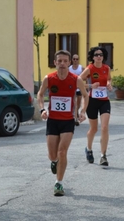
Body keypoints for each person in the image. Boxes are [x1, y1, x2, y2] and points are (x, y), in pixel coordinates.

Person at [37, 50, 89, 196]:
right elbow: (40, 94)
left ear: (69, 63)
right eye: (59, 61)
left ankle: (59, 183)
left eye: (65, 61)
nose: (62, 64)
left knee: (62, 151)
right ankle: (54, 161)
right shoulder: (49, 78)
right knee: (53, 155)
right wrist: (42, 110)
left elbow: (85, 95)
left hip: (67, 121)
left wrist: (83, 111)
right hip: (52, 121)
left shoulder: (76, 79)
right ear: (55, 62)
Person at [79, 46, 113, 166]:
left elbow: (109, 79)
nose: (99, 56)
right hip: (92, 101)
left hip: (104, 100)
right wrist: (90, 86)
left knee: (104, 127)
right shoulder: (89, 69)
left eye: (101, 55)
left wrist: (109, 84)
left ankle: (103, 156)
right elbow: (78, 82)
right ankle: (88, 149)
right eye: (97, 54)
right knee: (94, 129)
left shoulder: (106, 68)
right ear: (92, 57)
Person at [68, 54, 84, 126]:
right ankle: (75, 119)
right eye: (74, 59)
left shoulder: (81, 68)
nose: (75, 60)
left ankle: (76, 112)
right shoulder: (69, 68)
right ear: (72, 60)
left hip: (79, 88)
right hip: (72, 88)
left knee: (78, 104)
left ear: (78, 60)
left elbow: (86, 76)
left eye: (76, 59)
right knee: (74, 103)